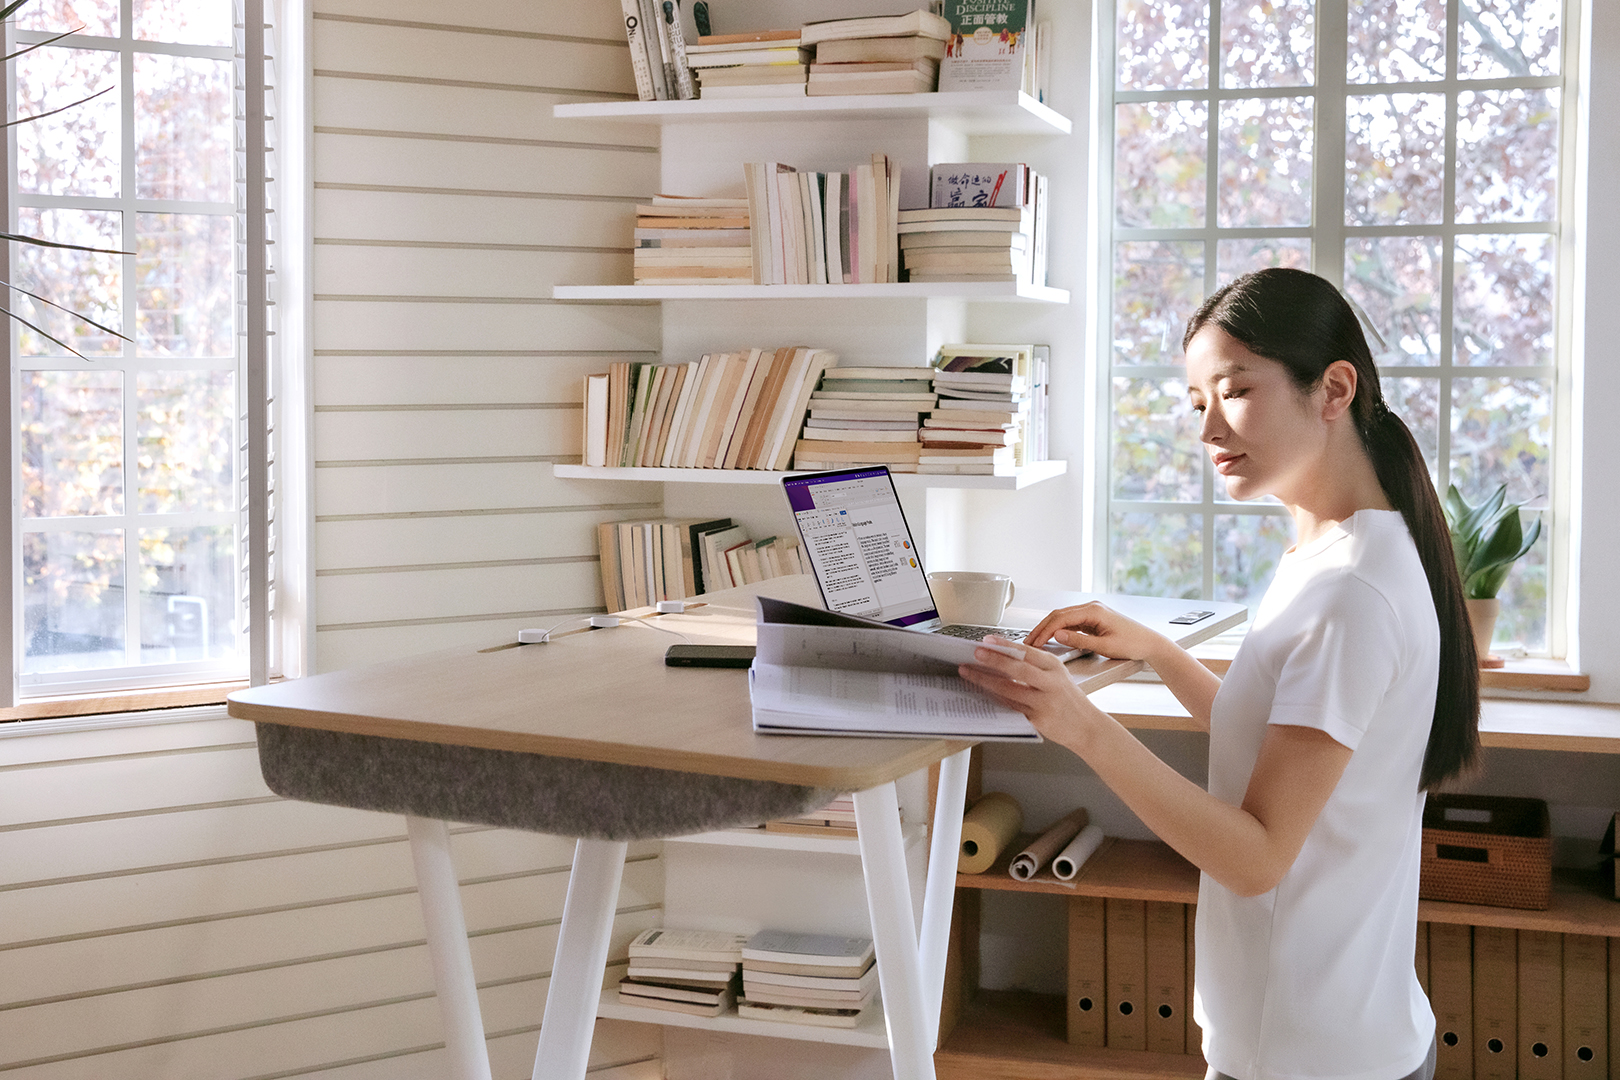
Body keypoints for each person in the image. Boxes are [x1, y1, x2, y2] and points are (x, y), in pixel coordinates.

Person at [958, 268, 1480, 1080]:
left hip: (1307, 1056)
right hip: (1340, 1035)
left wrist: (1082, 725)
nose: (1208, 429)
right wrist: (1164, 654)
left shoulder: (1351, 592)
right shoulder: (1340, 552)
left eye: (1234, 391)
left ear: (1333, 389)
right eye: (1196, 402)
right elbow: (1282, 742)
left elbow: (1257, 855)